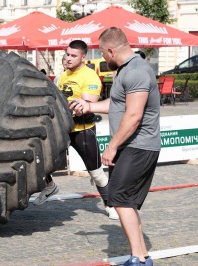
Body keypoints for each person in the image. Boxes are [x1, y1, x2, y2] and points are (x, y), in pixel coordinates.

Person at [69, 27, 160, 266]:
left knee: (119, 199)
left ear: (110, 50)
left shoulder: (137, 71)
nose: (102, 58)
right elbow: (118, 103)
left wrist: (111, 147)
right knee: (125, 201)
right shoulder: (127, 70)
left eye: (102, 53)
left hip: (138, 146)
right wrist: (89, 106)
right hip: (132, 146)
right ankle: (142, 257)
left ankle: (138, 259)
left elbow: (133, 116)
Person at [34, 40, 119, 221]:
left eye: (74, 55)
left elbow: (85, 106)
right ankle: (49, 186)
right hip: (60, 129)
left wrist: (69, 108)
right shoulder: (62, 76)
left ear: (83, 57)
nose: (69, 58)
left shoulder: (90, 77)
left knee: (96, 173)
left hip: (82, 130)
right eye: (67, 54)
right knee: (37, 157)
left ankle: (110, 204)